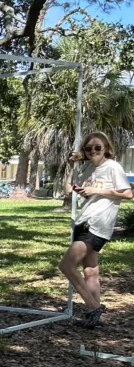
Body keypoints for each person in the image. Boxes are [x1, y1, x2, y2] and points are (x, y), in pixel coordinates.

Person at [58, 132, 132, 328]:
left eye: (97, 147)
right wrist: (72, 164)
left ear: (106, 149)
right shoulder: (89, 168)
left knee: (66, 265)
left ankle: (93, 307)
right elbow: (68, 189)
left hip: (97, 224)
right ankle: (95, 318)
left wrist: (96, 191)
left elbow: (128, 193)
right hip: (84, 221)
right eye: (88, 148)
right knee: (90, 271)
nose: (93, 152)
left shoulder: (112, 167)